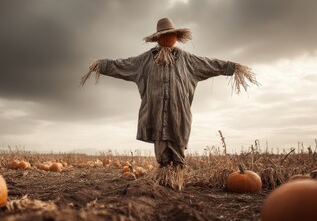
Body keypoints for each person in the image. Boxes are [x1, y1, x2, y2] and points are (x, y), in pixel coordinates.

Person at [80, 17, 257, 189]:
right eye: (163, 36)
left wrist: (232, 67)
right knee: (161, 141)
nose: (166, 38)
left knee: (177, 140)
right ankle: (164, 177)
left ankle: (177, 177)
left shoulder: (188, 59)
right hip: (155, 110)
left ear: (176, 37)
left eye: (170, 35)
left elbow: (210, 64)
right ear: (157, 39)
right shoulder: (145, 60)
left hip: (178, 111)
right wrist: (101, 65)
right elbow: (122, 64)